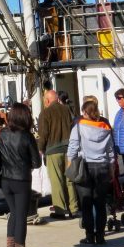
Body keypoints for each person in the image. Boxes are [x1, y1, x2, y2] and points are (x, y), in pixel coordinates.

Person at [67, 99, 114, 245]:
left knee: (86, 203)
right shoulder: (105, 126)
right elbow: (110, 150)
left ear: (86, 113)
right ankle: (100, 236)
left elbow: (73, 147)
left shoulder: (79, 126)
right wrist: (111, 167)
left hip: (85, 167)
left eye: (83, 112)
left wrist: (70, 164)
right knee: (100, 203)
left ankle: (89, 236)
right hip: (102, 167)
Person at [0, 103, 41, 247]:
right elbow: (37, 162)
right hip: (21, 181)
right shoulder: (27, 136)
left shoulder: (2, 133)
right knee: (21, 217)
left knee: (14, 213)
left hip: (5, 180)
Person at [38, 89, 79, 218]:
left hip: (53, 150)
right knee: (70, 180)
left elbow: (43, 134)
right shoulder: (67, 110)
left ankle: (61, 210)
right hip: (69, 150)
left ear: (47, 100)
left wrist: (41, 149)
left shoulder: (45, 113)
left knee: (57, 181)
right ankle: (74, 208)